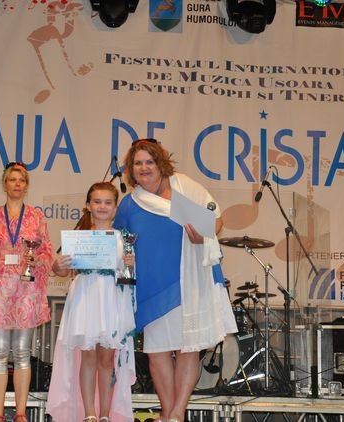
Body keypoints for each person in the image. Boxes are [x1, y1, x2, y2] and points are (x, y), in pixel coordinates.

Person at [113, 139, 237, 422]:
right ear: (131, 169)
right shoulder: (130, 204)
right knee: (157, 351)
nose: (144, 168)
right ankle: (168, 411)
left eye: (149, 162)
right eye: (137, 163)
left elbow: (215, 220)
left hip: (189, 282)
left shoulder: (181, 187)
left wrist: (204, 236)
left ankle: (177, 413)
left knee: (187, 348)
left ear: (160, 164)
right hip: (151, 285)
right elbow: (119, 243)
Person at [47, 182, 136, 422]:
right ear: (88, 205)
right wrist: (57, 266)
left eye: (108, 202)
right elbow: (63, 272)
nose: (102, 207)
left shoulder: (123, 239)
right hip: (85, 297)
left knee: (107, 358)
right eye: (97, 202)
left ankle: (105, 414)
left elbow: (128, 276)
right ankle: (90, 413)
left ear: (115, 208)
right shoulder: (79, 238)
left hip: (111, 298)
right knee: (88, 356)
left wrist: (130, 265)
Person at [0, 162, 53, 422]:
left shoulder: (37, 217)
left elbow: (47, 252)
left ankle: (20, 413)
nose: (17, 184)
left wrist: (36, 260)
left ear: (26, 186)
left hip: (26, 289)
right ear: (5, 184)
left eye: (22, 180)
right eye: (12, 179)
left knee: (21, 352)